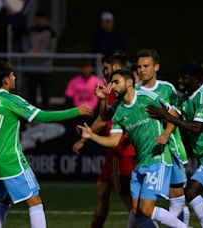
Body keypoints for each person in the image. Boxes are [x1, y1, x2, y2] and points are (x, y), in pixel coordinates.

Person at [0, 59, 92, 228]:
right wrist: (76, 110)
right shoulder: (11, 100)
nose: (15, 77)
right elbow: (44, 117)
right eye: (12, 75)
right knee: (34, 201)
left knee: (2, 202)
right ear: (5, 80)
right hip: (11, 161)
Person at [78, 69, 187, 228]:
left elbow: (173, 114)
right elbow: (114, 141)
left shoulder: (147, 98)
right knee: (137, 212)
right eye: (111, 83)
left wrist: (166, 134)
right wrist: (91, 136)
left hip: (157, 159)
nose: (112, 86)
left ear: (129, 83)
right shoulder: (120, 112)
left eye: (116, 82)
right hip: (141, 164)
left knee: (146, 208)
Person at [147, 61, 203, 228]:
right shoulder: (185, 98)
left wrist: (167, 116)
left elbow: (197, 127)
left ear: (196, 80)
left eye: (184, 77)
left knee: (191, 191)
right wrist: (164, 112)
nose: (180, 80)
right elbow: (174, 113)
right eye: (179, 77)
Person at [136, 49, 190, 225]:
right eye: (139, 67)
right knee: (144, 203)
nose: (142, 70)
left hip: (172, 148)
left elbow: (175, 115)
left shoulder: (167, 88)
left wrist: (166, 134)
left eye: (146, 66)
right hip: (149, 153)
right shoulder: (135, 92)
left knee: (177, 196)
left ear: (156, 67)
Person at [23, 10, 57, 108]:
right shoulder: (29, 32)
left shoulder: (51, 32)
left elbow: (52, 49)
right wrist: (29, 52)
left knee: (45, 92)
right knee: (31, 92)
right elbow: (25, 48)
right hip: (31, 67)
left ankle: (46, 112)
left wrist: (40, 54)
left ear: (45, 20)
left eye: (42, 19)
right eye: (38, 19)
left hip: (45, 67)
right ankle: (32, 115)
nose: (40, 21)